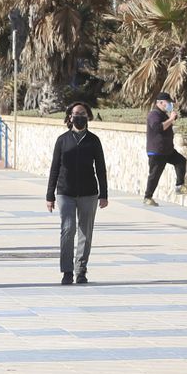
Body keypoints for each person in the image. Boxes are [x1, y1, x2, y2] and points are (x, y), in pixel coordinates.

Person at [47, 102, 108, 285]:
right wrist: (49, 195)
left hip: (89, 193)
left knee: (85, 232)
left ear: (87, 116)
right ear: (70, 117)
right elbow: (54, 168)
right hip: (65, 191)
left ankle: (81, 270)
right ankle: (67, 271)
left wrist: (103, 194)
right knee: (67, 229)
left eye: (82, 113)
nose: (78, 117)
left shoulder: (94, 140)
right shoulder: (62, 140)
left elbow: (101, 168)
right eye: (75, 114)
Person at [144, 92, 187, 205]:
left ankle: (179, 186)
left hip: (167, 150)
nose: (170, 104)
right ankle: (147, 197)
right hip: (157, 151)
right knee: (155, 175)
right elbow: (158, 128)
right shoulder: (153, 114)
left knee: (180, 161)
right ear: (160, 103)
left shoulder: (164, 114)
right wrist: (170, 119)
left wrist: (171, 117)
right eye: (168, 102)